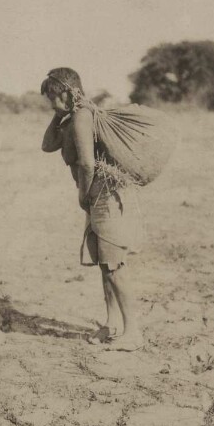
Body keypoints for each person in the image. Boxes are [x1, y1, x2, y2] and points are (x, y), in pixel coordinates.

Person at [41, 68, 144, 351]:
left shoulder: (83, 118)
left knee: (113, 265)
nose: (50, 103)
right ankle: (111, 324)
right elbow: (47, 145)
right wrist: (59, 111)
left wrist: (82, 195)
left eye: (52, 97)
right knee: (104, 264)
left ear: (65, 92)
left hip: (104, 197)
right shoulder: (73, 117)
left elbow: (86, 164)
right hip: (97, 197)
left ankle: (133, 332)